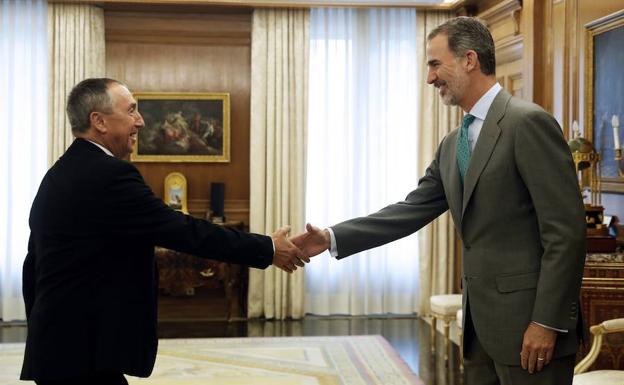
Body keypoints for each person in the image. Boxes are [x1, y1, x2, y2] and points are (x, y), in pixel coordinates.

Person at [292, 17, 586, 385]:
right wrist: (331, 237)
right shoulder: (453, 145)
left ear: (469, 59)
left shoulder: (527, 122)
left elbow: (566, 233)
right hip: (481, 334)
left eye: (434, 64)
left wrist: (546, 322)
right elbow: (409, 211)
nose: (429, 78)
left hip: (532, 332)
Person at [21, 78, 307, 385]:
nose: (141, 121)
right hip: (82, 348)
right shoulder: (108, 175)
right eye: (131, 111)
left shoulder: (59, 172)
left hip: (61, 343)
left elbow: (33, 265)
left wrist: (42, 329)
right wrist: (269, 248)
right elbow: (183, 230)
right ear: (99, 121)